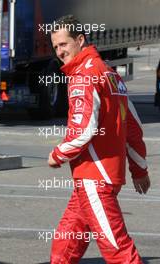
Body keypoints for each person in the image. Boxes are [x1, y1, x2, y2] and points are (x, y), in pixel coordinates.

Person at [48, 15, 150, 264]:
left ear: (80, 40)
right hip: (95, 180)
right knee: (64, 247)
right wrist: (139, 170)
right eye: (56, 47)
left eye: (64, 44)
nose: (60, 52)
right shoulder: (111, 75)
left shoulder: (83, 76)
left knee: (119, 251)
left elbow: (83, 131)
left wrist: (58, 154)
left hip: (95, 181)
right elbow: (133, 128)